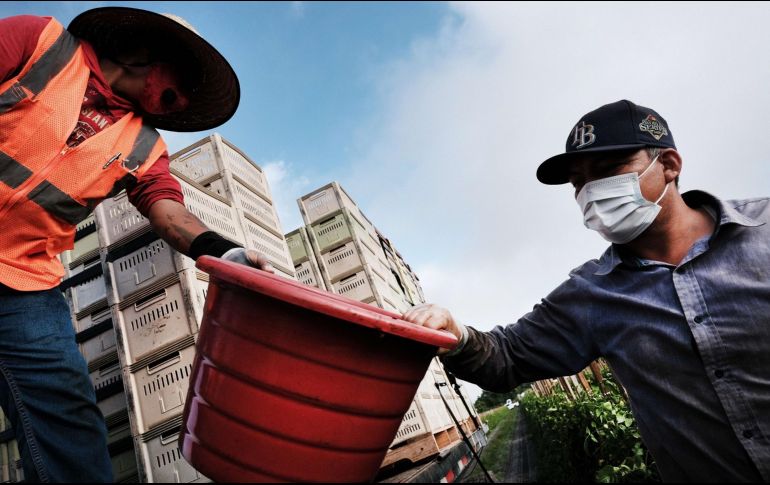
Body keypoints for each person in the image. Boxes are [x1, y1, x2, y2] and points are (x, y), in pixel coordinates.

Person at [403, 100, 770, 482]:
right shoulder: (591, 294)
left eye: (610, 170)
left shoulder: (762, 231)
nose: (592, 192)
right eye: (579, 182)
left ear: (669, 165)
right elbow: (509, 356)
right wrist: (457, 335)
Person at [0, 7, 272, 482]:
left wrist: (223, 251)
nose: (183, 100)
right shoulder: (38, 42)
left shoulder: (145, 146)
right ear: (145, 51)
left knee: (69, 417)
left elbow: (168, 211)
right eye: (183, 80)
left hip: (23, 281)